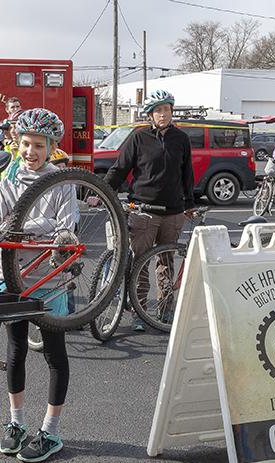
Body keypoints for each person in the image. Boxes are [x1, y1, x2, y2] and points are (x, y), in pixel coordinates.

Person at [0, 108, 75, 463]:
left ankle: (51, 431)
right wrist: (37, 226)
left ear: (52, 147)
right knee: (15, 350)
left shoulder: (63, 180)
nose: (30, 152)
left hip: (50, 280)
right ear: (17, 143)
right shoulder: (10, 177)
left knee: (55, 355)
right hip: (14, 276)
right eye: (25, 144)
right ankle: (16, 423)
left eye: (39, 145)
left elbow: (66, 227)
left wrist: (23, 226)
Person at [103, 89, 195, 332]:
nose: (163, 114)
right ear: (150, 115)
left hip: (173, 211)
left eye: (167, 109)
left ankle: (165, 310)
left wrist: (190, 204)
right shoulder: (139, 138)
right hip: (143, 210)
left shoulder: (181, 139)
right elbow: (120, 168)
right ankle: (138, 311)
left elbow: (187, 174)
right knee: (140, 263)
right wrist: (100, 191)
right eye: (158, 110)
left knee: (166, 263)